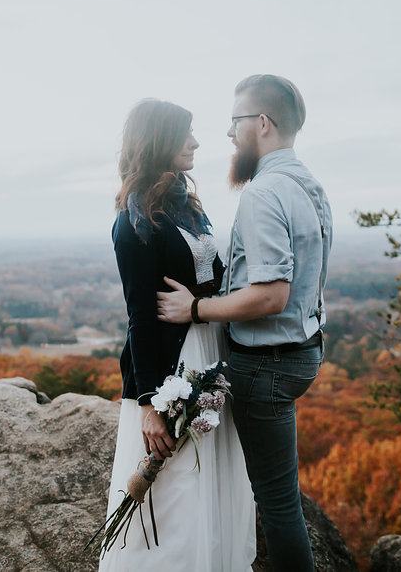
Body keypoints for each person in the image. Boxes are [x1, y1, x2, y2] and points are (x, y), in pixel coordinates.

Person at [156, 75, 332, 572]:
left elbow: (271, 295)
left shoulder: (264, 193)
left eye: (235, 122)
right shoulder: (308, 185)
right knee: (278, 493)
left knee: (277, 503)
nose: (229, 134)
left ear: (261, 123)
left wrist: (195, 309)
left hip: (266, 365)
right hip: (300, 351)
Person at [100, 99, 256, 571]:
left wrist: (208, 309)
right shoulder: (134, 222)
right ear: (159, 140)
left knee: (212, 474)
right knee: (178, 484)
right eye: (185, 134)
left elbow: (216, 281)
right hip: (174, 365)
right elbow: (139, 317)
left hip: (208, 350)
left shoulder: (188, 210)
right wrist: (149, 402)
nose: (195, 142)